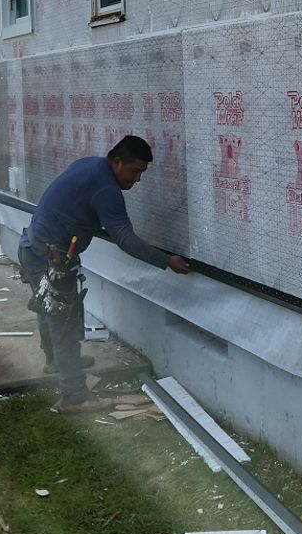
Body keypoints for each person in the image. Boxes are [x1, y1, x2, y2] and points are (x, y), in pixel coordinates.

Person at [19, 135, 190, 413]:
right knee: (62, 320)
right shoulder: (107, 189)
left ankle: (54, 360)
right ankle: (74, 397)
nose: (136, 180)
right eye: (134, 171)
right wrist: (166, 260)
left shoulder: (89, 164)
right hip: (50, 259)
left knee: (50, 309)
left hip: (33, 247)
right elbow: (125, 239)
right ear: (117, 161)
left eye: (142, 173)